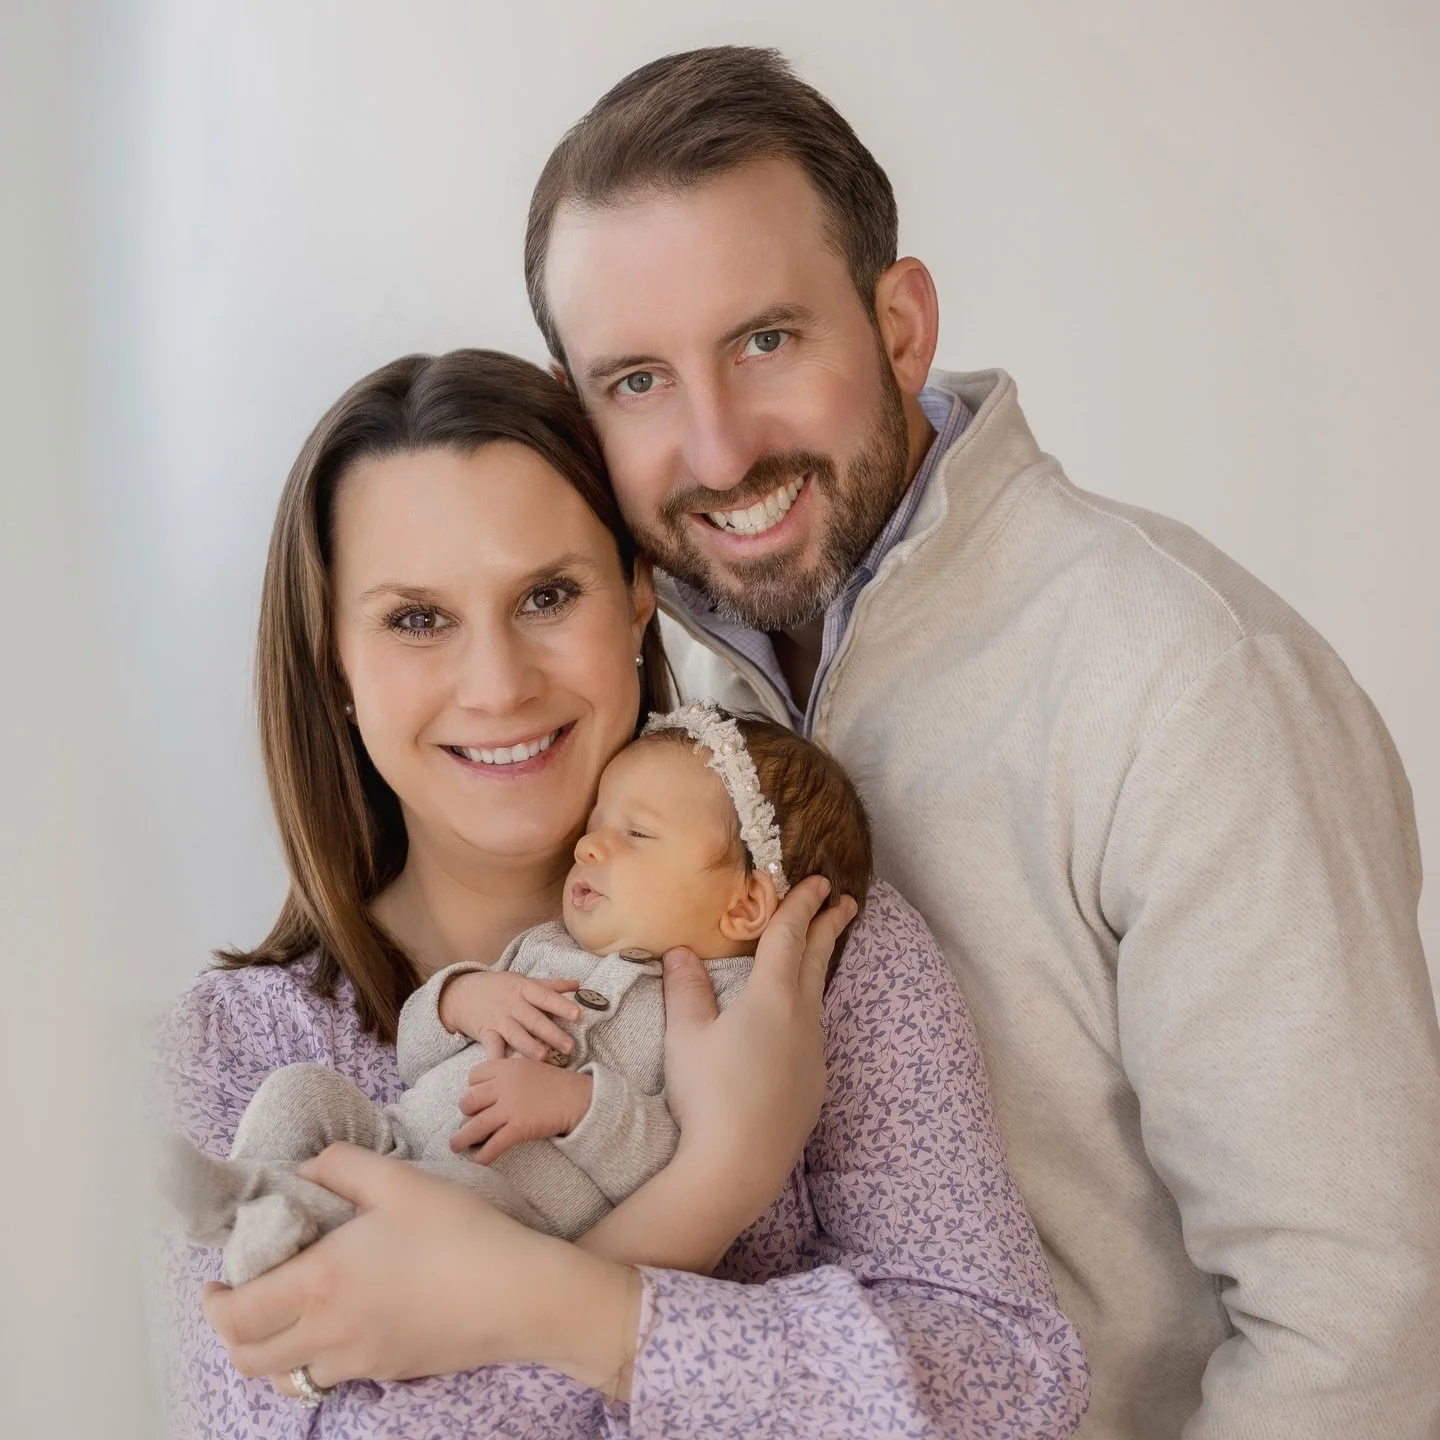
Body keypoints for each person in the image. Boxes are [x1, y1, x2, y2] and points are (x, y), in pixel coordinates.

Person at [519, 44, 1440, 1440]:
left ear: (899, 327)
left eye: (766, 340)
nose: (715, 448)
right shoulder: (654, 690)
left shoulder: (1182, 679)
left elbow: (1363, 1329)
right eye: (636, 381)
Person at [159, 347, 1089, 1438]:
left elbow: (1013, 1389)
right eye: (417, 618)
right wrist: (711, 1190)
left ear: (639, 599)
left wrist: (542, 1313)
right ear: (336, 672)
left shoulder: (802, 941)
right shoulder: (225, 1057)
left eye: (547, 595)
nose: (499, 685)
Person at [162, 706, 873, 1282]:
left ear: (746, 907)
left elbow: (677, 1155)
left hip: (502, 1210)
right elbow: (416, 1056)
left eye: (636, 832)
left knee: (429, 1220)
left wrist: (575, 1108)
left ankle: (281, 1227)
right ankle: (248, 1193)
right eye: (596, 825)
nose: (589, 847)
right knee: (299, 1093)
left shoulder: (739, 1018)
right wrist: (462, 997)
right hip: (396, 1134)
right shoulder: (549, 947)